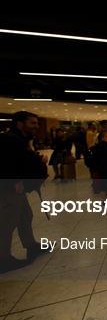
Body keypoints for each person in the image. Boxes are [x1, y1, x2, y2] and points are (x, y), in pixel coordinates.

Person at [0, 111, 50, 273]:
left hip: (17, 186)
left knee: (25, 215)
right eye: (32, 123)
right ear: (20, 124)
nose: (36, 126)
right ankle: (3, 259)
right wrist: (14, 182)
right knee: (7, 223)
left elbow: (22, 160)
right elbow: (6, 163)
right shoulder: (10, 140)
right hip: (10, 188)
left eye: (36, 123)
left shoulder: (20, 139)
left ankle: (31, 245)